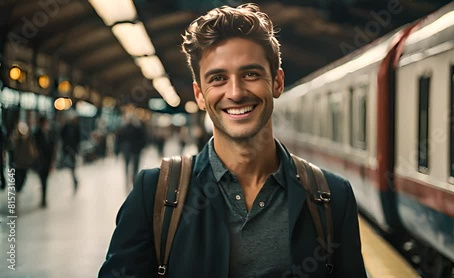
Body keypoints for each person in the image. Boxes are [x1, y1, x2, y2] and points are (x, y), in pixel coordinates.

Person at [99, 4, 366, 277]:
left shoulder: (332, 197)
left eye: (250, 74)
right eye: (218, 78)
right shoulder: (154, 194)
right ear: (200, 95)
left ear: (277, 82)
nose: (236, 93)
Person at [33, 116, 56, 208]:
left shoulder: (50, 133)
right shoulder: (37, 134)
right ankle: (43, 198)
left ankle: (43, 198)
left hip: (47, 161)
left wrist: (52, 162)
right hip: (40, 161)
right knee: (43, 180)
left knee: (45, 180)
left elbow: (52, 147)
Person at [60, 112, 81, 192]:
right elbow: (61, 135)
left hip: (72, 150)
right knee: (68, 166)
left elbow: (78, 140)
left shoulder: (76, 128)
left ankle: (74, 180)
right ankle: (73, 179)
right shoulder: (66, 127)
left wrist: (76, 150)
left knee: (72, 167)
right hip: (67, 149)